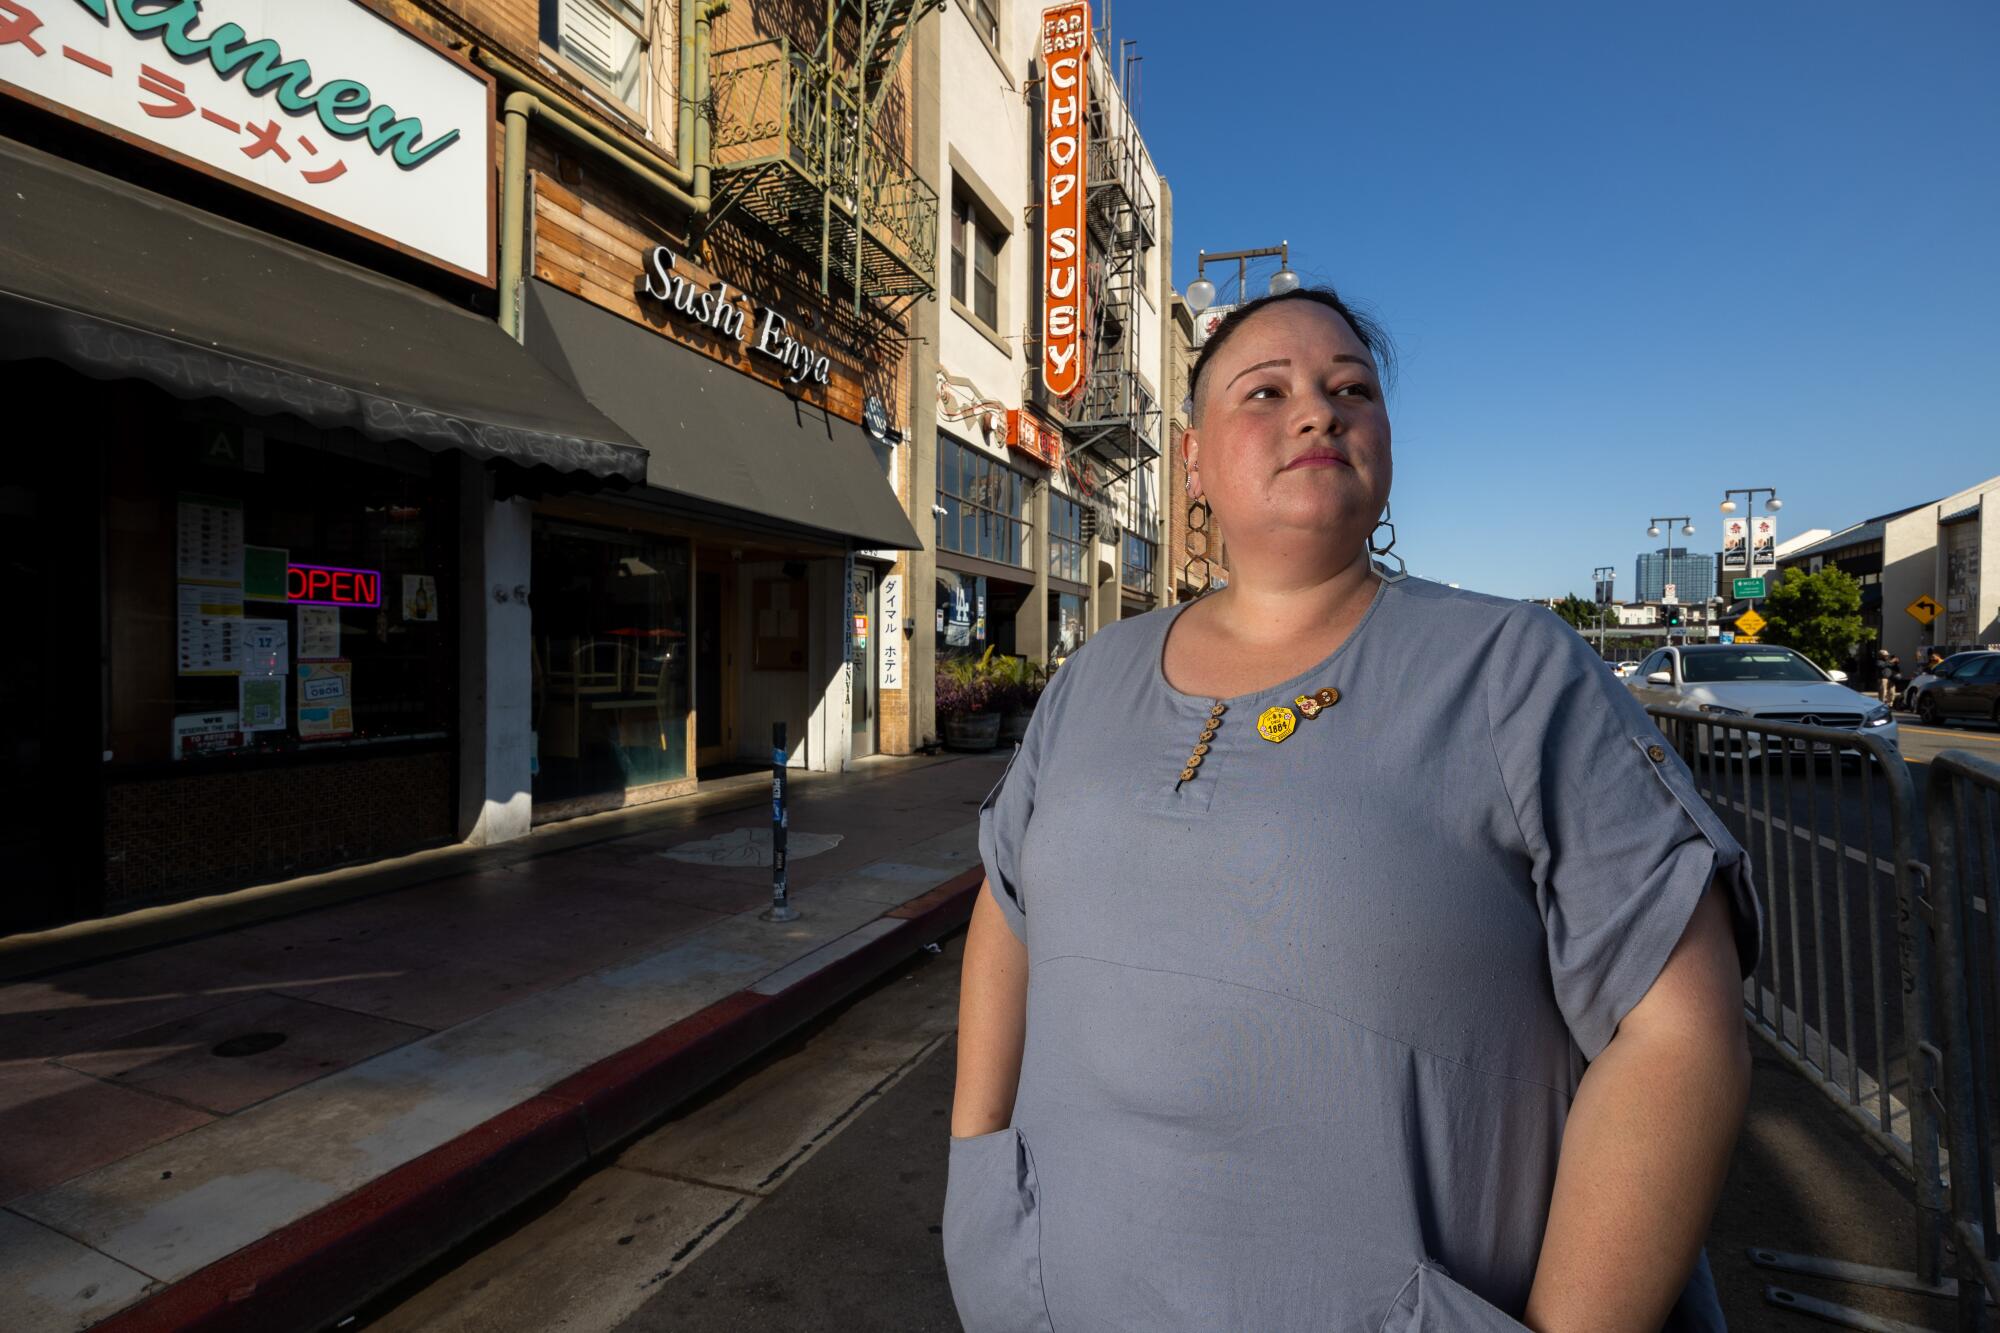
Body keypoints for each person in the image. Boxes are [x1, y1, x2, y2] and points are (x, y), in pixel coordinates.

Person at [945, 287, 1762, 1332]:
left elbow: (1680, 1029)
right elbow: (1006, 910)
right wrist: (978, 1172)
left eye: (1350, 390)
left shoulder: (1511, 669)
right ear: (1191, 460)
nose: (1317, 412)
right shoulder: (1090, 676)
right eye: (1267, 390)